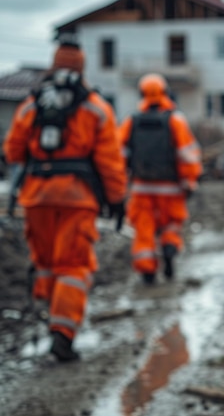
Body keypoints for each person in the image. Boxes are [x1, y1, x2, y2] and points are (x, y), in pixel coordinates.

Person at [2, 37, 127, 361]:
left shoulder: (32, 104)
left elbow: (13, 151)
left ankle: (50, 312)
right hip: (77, 197)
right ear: (82, 66)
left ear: (54, 62)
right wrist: (116, 198)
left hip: (36, 196)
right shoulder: (95, 108)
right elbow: (109, 161)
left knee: (45, 264)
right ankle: (63, 332)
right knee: (73, 265)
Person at [118, 73, 202, 284]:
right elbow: (187, 154)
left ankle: (147, 271)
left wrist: (120, 183)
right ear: (165, 92)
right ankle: (169, 248)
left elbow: (119, 155)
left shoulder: (132, 121)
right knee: (171, 225)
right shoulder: (176, 120)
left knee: (144, 230)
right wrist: (189, 180)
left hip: (141, 187)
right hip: (171, 188)